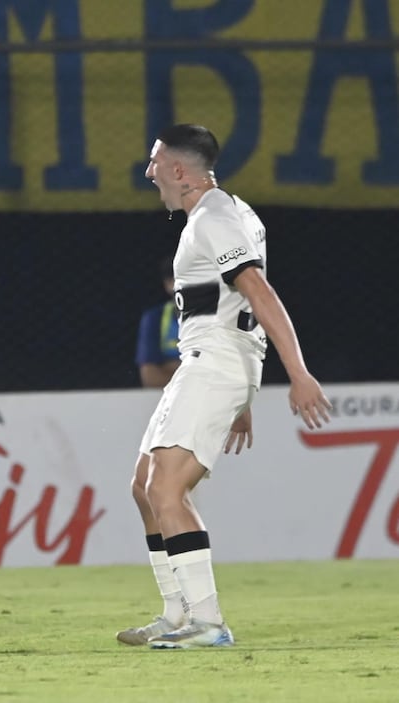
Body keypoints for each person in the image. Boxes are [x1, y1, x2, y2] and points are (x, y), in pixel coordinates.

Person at [115, 124, 331, 649]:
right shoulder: (229, 212)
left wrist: (296, 372)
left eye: (154, 162)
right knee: (143, 487)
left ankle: (208, 623)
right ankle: (175, 613)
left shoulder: (214, 218)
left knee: (166, 489)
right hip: (213, 363)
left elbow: (259, 293)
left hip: (213, 364)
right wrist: (246, 394)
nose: (148, 173)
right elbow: (237, 308)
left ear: (178, 171)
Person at [135, 256, 180, 388]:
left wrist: (170, 366)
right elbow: (150, 378)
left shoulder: (220, 315)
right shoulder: (155, 318)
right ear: (168, 284)